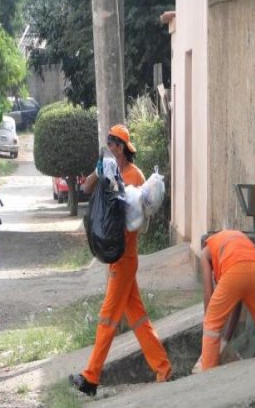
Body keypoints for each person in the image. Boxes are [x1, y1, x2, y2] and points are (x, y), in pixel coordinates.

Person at [69, 124, 172, 396]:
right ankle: (163, 368)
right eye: (110, 145)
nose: (112, 149)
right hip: (119, 257)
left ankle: (91, 377)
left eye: (115, 145)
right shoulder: (109, 171)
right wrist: (98, 170)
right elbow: (85, 188)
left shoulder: (134, 175)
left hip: (126, 257)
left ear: (123, 148)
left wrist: (117, 184)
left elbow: (133, 213)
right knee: (138, 319)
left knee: (107, 318)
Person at [198, 229, 255, 371]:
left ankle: (207, 374)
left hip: (235, 269)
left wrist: (208, 324)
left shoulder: (206, 251)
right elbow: (237, 303)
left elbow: (208, 293)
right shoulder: (229, 241)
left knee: (211, 325)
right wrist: (225, 340)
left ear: (204, 243)